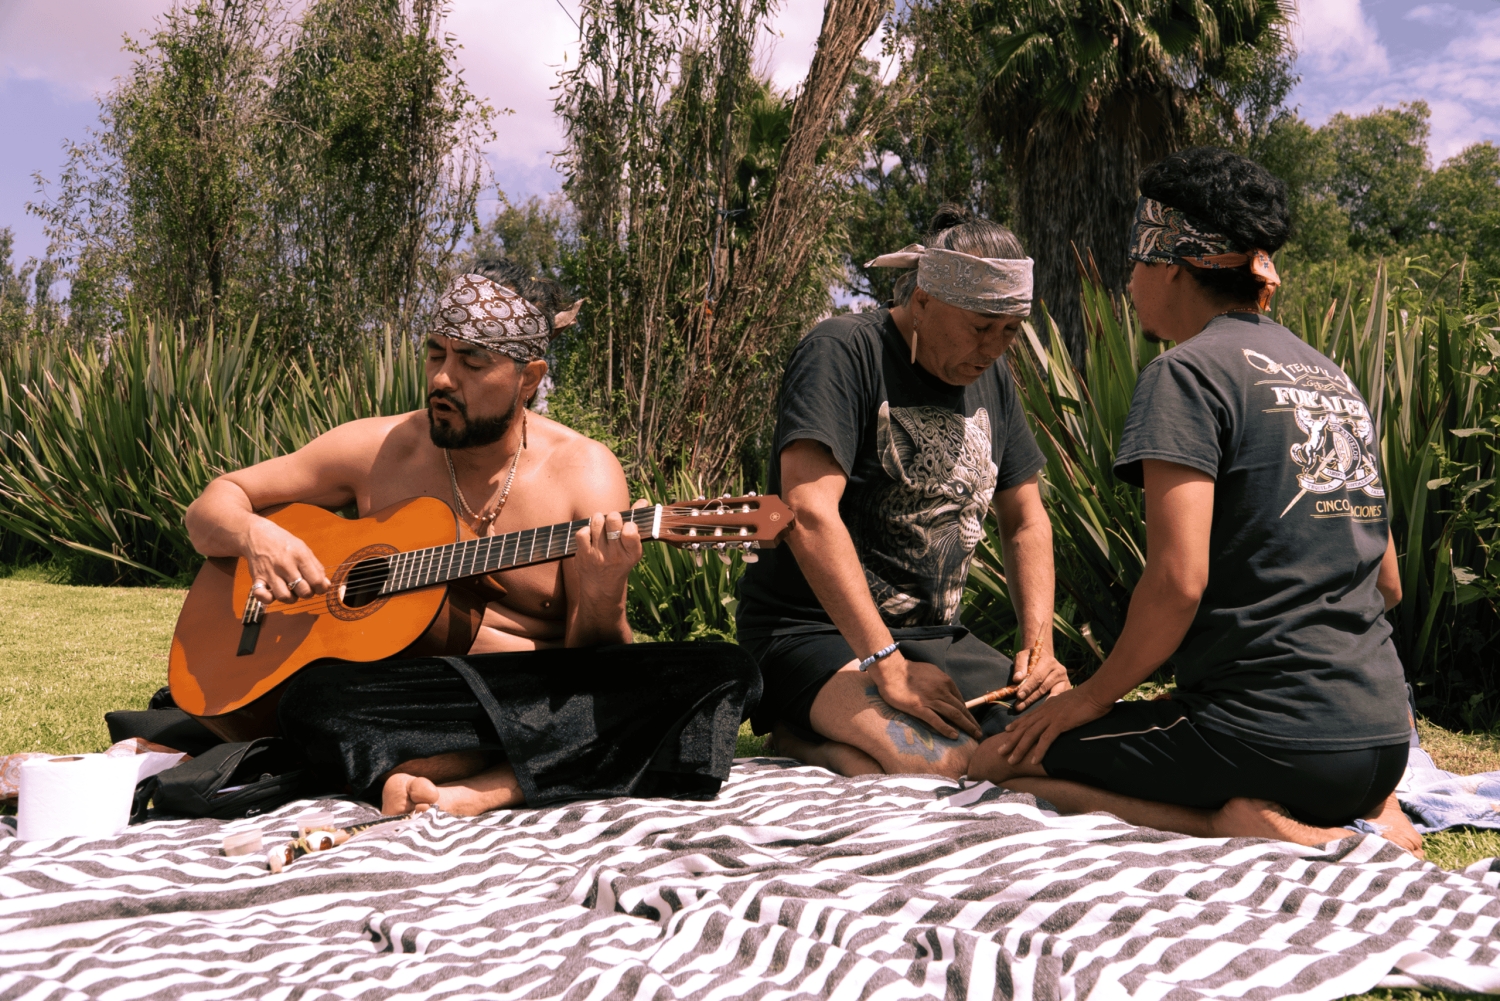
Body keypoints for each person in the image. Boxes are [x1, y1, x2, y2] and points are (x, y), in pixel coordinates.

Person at [969, 147, 1422, 855]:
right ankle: (1375, 807)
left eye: (1134, 264)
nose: (1128, 284)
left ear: (1172, 267)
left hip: (1270, 739)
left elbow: (1178, 582)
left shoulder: (1185, 375)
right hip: (1384, 740)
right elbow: (1386, 583)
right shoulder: (1331, 378)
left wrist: (1088, 698)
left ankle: (1229, 822)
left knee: (998, 761)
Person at [184, 264, 759, 816]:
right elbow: (212, 505)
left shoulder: (582, 472)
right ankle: (522, 763)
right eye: (436, 353)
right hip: (409, 692)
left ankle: (482, 787)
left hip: (534, 691)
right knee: (315, 701)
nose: (442, 378)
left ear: (528, 378)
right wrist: (256, 534)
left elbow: (596, 666)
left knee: (724, 671)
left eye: (471, 362)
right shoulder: (379, 449)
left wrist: (603, 587)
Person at [735, 206, 1071, 780]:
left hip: (935, 641)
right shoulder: (842, 350)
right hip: (814, 634)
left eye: (1010, 330)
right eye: (980, 328)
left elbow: (1025, 520)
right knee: (940, 765)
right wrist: (886, 665)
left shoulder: (992, 378)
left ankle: (835, 743)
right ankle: (801, 734)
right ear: (923, 301)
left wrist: (1038, 649)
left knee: (1058, 744)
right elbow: (808, 512)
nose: (994, 347)